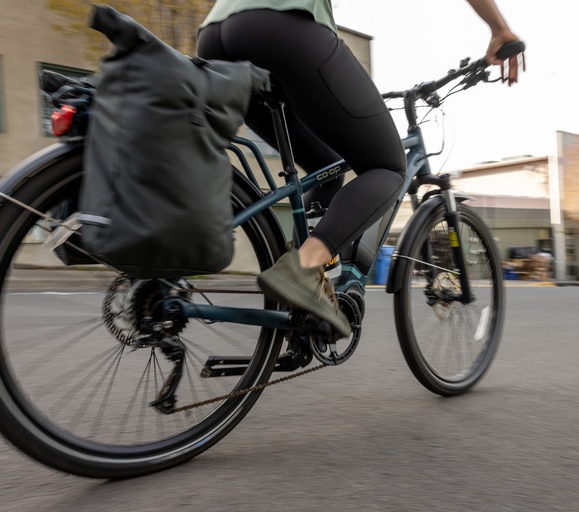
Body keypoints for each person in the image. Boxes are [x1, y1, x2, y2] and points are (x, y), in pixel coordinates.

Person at [197, 0, 524, 338]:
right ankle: (304, 268)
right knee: (389, 166)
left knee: (326, 168)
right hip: (280, 27)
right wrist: (499, 29)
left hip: (214, 37)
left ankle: (299, 298)